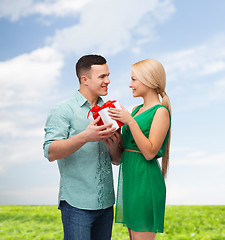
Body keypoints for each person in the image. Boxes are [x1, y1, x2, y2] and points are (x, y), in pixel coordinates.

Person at [43, 54, 121, 240]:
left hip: (106, 203)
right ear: (84, 80)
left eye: (108, 75)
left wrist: (114, 146)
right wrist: (85, 137)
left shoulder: (111, 110)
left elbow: (117, 160)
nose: (108, 81)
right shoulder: (63, 110)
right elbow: (50, 151)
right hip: (76, 205)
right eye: (102, 76)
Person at [105, 58, 171, 240]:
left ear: (149, 81)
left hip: (146, 182)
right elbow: (121, 157)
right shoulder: (134, 110)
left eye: (134, 79)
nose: (130, 84)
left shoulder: (160, 112)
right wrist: (113, 145)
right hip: (130, 182)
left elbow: (149, 153)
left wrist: (130, 122)